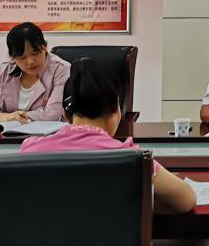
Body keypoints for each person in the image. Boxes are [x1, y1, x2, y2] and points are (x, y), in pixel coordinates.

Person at [21, 57, 196, 212]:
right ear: (115, 111)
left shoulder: (30, 151)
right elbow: (186, 200)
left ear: (65, 114)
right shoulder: (130, 157)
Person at [0, 21, 72, 123]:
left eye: (35, 53)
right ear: (13, 57)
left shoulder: (62, 70)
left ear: (45, 47)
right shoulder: (4, 71)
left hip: (49, 132)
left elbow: (54, 114)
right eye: (22, 57)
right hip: (7, 132)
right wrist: (6, 117)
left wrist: (19, 117)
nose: (30, 61)